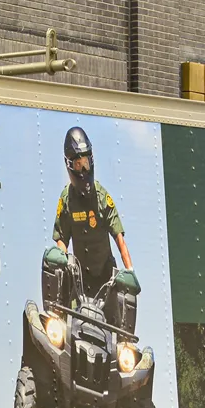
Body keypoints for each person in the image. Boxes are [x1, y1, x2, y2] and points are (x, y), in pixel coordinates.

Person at [52, 127, 133, 303]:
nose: (83, 169)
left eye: (86, 163)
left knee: (119, 317)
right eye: (78, 165)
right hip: (79, 280)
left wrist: (130, 272)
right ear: (69, 165)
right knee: (63, 318)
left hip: (107, 280)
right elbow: (62, 239)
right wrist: (60, 258)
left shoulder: (103, 197)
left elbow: (120, 239)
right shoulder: (66, 199)